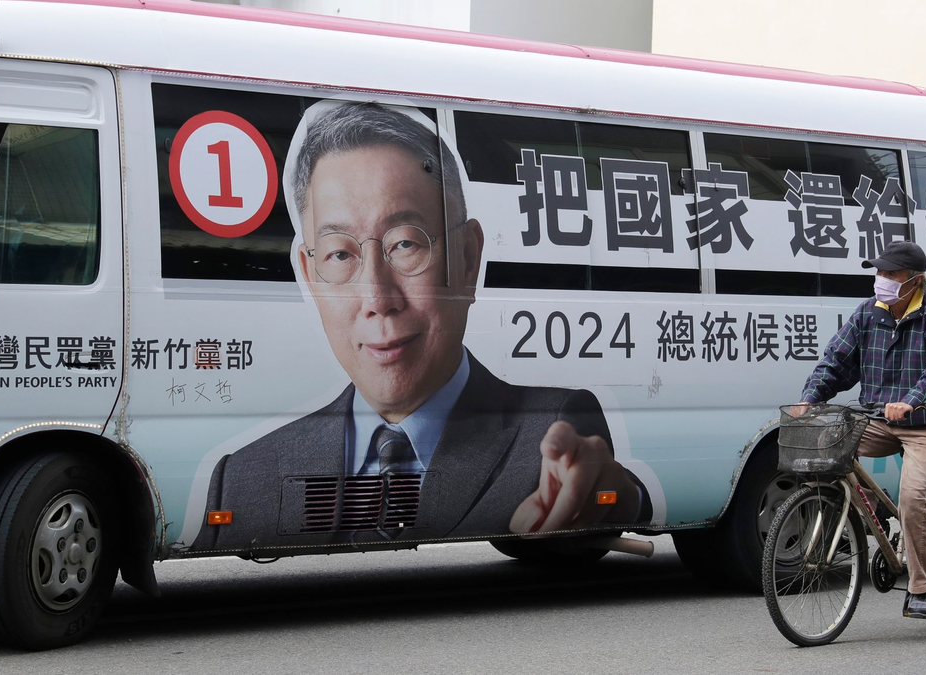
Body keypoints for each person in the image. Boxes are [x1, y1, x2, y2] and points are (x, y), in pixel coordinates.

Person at [193, 101, 651, 551]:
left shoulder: (550, 431)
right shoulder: (243, 476)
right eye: (340, 254)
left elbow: (595, 496)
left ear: (468, 259)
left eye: (405, 244)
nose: (378, 299)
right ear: (311, 278)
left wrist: (624, 501)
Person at [793, 240, 926, 619]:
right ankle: (868, 509)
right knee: (826, 445)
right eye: (879, 272)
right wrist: (810, 398)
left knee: (913, 498)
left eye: (891, 273)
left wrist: (913, 400)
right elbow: (836, 360)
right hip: (880, 420)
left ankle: (924, 586)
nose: (881, 279)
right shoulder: (868, 313)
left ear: (915, 280)